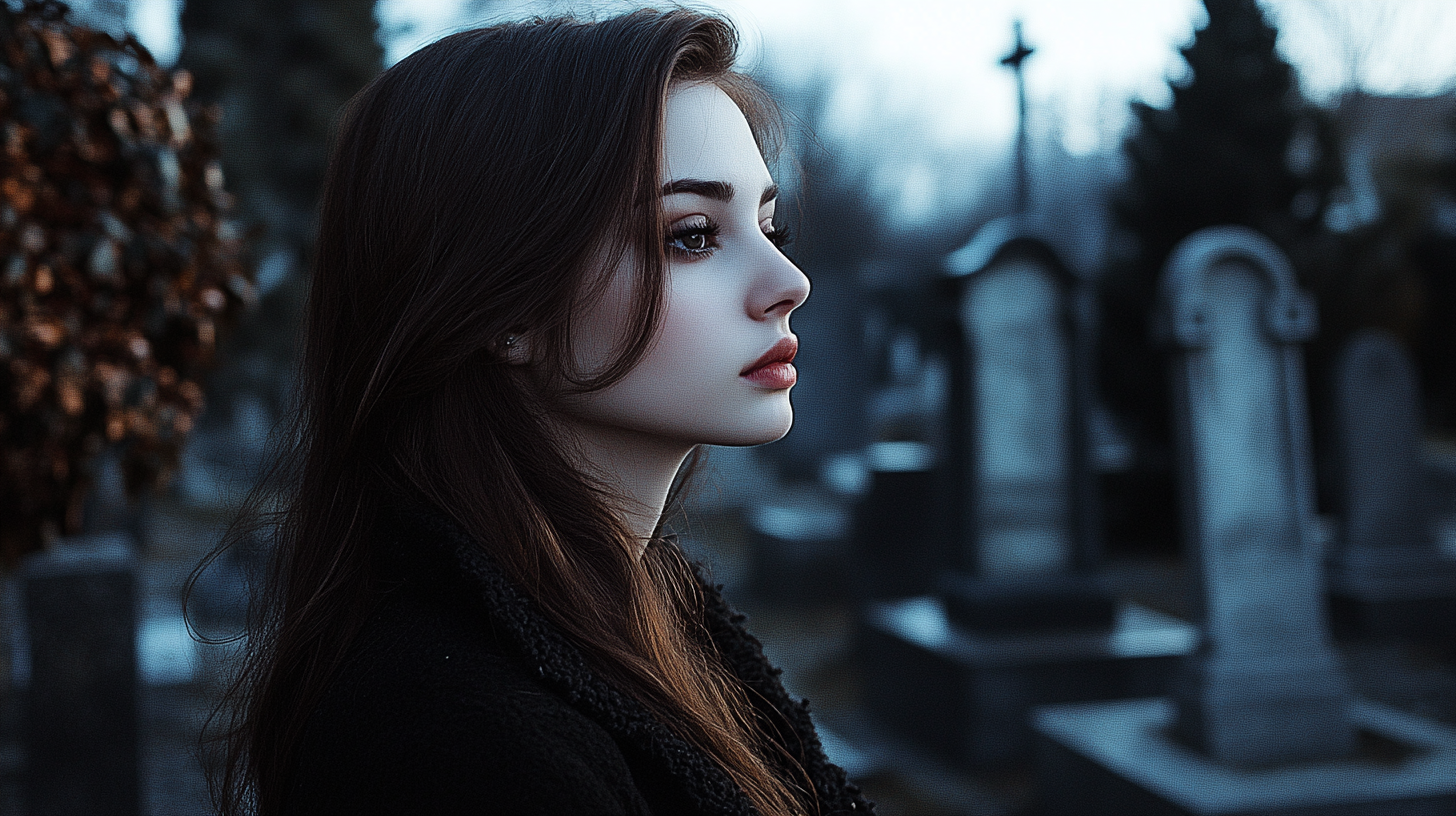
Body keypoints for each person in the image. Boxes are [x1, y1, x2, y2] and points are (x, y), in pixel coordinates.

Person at [202, 8, 875, 816]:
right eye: (691, 235)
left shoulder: (636, 615)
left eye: (770, 226)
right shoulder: (455, 746)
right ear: (503, 308)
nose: (789, 281)